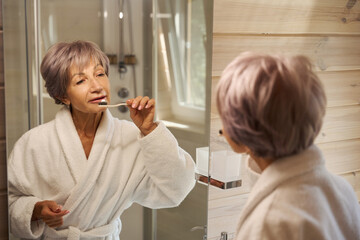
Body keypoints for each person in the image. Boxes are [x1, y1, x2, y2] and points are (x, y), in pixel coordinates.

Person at [8, 40, 196, 239]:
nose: (97, 86)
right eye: (81, 81)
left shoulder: (131, 138)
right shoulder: (35, 143)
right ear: (62, 96)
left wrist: (149, 129)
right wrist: (36, 210)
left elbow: (177, 189)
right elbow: (9, 203)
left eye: (100, 74)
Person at [216, 52, 360, 240]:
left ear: (241, 136)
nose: (222, 128)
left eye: (225, 118)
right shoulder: (341, 190)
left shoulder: (270, 223)